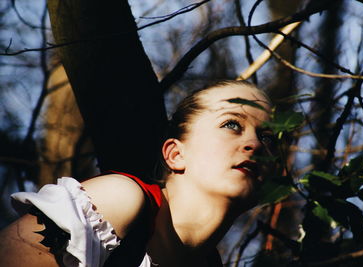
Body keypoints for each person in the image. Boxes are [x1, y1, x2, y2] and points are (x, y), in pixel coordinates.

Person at [0, 80, 272, 267]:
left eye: (269, 138)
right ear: (176, 155)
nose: (256, 144)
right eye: (231, 124)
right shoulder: (116, 200)